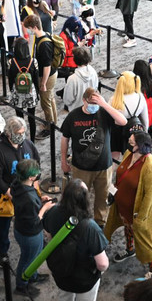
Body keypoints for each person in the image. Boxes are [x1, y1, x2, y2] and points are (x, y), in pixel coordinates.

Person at [41, 179, 112, 301]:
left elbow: (48, 234)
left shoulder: (54, 212)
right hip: (84, 279)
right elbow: (103, 263)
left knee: (64, 299)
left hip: (62, 273)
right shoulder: (90, 227)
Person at [61, 88, 128, 227]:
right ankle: (78, 221)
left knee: (103, 198)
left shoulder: (104, 112)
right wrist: (63, 159)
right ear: (84, 100)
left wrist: (104, 104)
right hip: (81, 167)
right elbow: (65, 138)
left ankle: (100, 223)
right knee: (78, 197)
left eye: (96, 102)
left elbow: (123, 121)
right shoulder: (73, 116)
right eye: (91, 102)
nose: (94, 106)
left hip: (104, 166)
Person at [106, 131, 152, 276]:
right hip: (123, 207)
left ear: (140, 146)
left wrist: (141, 218)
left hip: (137, 213)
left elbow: (150, 196)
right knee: (127, 229)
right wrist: (112, 193)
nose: (129, 144)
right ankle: (130, 249)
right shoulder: (128, 155)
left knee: (146, 240)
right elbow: (120, 178)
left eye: (132, 142)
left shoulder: (151, 167)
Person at [0, 116, 40, 257]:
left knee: (31, 217)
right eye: (18, 134)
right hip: (8, 194)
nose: (21, 136)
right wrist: (8, 191)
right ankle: (2, 251)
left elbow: (36, 162)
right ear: (9, 133)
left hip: (29, 191)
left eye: (23, 132)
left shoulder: (28, 144)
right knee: (4, 224)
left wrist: (36, 182)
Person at [11, 159, 55, 296]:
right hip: (29, 234)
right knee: (28, 259)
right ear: (31, 177)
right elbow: (35, 220)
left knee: (32, 256)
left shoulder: (18, 185)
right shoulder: (28, 198)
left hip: (21, 228)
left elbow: (29, 203)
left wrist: (40, 201)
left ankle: (33, 275)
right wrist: (45, 208)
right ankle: (22, 285)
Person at [24, 15, 60, 136]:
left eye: (29, 28)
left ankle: (50, 127)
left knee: (46, 103)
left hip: (48, 76)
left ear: (34, 27)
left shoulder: (44, 44)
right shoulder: (44, 35)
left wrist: (43, 83)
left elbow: (46, 66)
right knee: (50, 98)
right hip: (52, 74)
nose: (28, 31)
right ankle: (53, 122)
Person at [6, 37, 40, 140]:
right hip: (30, 92)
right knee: (32, 118)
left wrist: (12, 90)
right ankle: (32, 140)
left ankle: (21, 138)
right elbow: (36, 79)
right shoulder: (33, 61)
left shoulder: (11, 62)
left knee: (19, 118)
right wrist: (37, 92)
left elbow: (10, 79)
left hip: (17, 92)